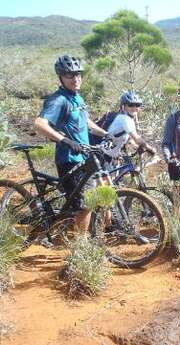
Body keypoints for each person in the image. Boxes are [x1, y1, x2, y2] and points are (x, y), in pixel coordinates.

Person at [33, 55, 113, 233]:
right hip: (69, 158)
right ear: (60, 77)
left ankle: (95, 232)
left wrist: (107, 134)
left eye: (78, 74)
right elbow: (39, 124)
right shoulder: (58, 100)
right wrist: (65, 140)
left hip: (84, 157)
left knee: (98, 193)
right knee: (84, 206)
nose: (75, 79)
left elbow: (87, 122)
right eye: (70, 75)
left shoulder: (77, 97)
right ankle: (81, 249)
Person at [101, 90, 156, 167]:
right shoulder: (124, 119)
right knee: (105, 178)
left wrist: (136, 147)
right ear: (123, 106)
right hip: (102, 154)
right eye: (130, 105)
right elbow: (137, 138)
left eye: (137, 105)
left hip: (110, 155)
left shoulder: (127, 119)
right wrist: (150, 149)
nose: (134, 108)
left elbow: (129, 139)